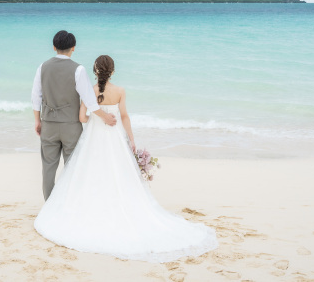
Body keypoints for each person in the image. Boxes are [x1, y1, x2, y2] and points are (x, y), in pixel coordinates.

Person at [34, 55, 218, 263]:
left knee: (90, 172)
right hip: (115, 139)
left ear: (95, 71)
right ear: (112, 71)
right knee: (118, 173)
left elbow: (82, 118)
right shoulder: (120, 91)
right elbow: (124, 117)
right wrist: (131, 140)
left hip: (93, 138)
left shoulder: (91, 91)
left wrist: (95, 116)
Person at [31, 30, 117, 200]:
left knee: (48, 167)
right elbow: (89, 100)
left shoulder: (42, 67)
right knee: (72, 168)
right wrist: (104, 116)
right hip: (71, 126)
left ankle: (49, 204)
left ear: (54, 47)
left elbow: (36, 97)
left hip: (48, 123)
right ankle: (67, 203)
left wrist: (37, 121)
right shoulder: (78, 69)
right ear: (73, 48)